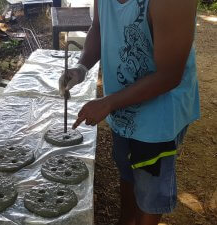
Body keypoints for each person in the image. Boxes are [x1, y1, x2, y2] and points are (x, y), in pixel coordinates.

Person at [59, 0, 200, 224]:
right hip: (121, 105)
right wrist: (82, 67)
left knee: (150, 193)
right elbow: (99, 27)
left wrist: (108, 103)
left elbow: (169, 75)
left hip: (158, 118)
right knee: (128, 171)